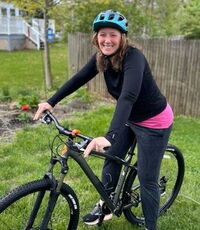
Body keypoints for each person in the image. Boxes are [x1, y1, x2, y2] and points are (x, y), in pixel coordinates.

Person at [34, 10, 174, 230]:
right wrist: (51, 101)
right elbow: (79, 78)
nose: (107, 40)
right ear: (96, 37)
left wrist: (110, 135)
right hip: (131, 117)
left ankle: (151, 226)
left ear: (122, 37)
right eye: (102, 34)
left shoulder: (134, 57)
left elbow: (128, 96)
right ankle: (106, 205)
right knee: (111, 156)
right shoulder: (101, 56)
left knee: (147, 180)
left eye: (113, 34)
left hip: (154, 122)